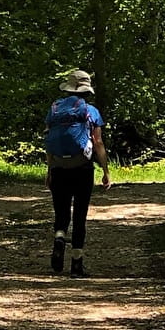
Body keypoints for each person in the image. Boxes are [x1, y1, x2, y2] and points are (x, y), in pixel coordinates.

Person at [44, 69, 111, 276]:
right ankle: (76, 264)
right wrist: (106, 170)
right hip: (82, 169)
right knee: (80, 215)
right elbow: (97, 142)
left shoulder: (54, 110)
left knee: (61, 212)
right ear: (86, 90)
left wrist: (50, 169)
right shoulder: (92, 111)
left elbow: (48, 142)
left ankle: (59, 237)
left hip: (58, 168)